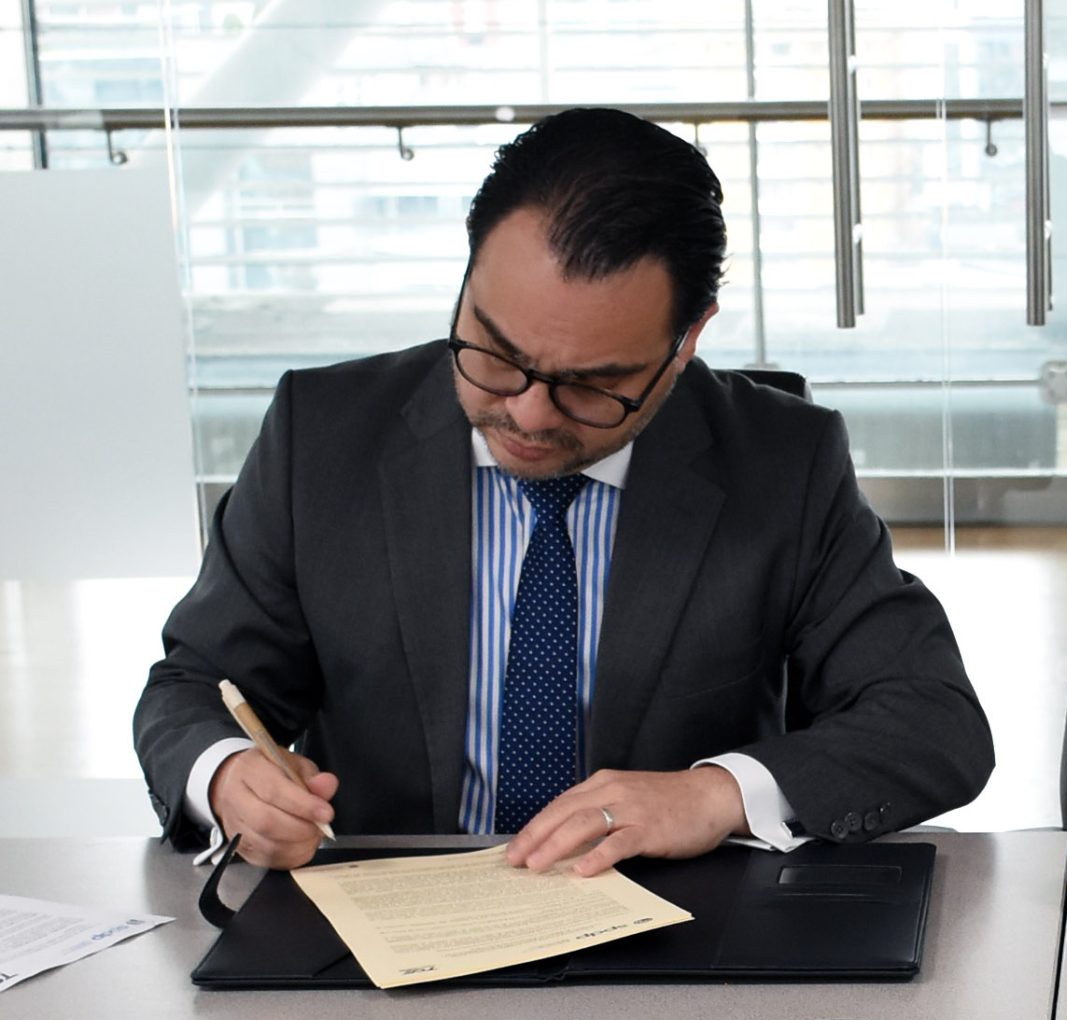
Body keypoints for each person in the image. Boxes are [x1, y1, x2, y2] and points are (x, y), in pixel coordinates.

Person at [134, 108, 994, 873]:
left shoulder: (781, 462)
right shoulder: (323, 436)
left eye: (593, 384)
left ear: (687, 339)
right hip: (391, 925)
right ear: (468, 278)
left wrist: (717, 793)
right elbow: (194, 686)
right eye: (496, 352)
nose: (528, 412)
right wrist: (226, 777)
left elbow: (934, 720)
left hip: (674, 929)